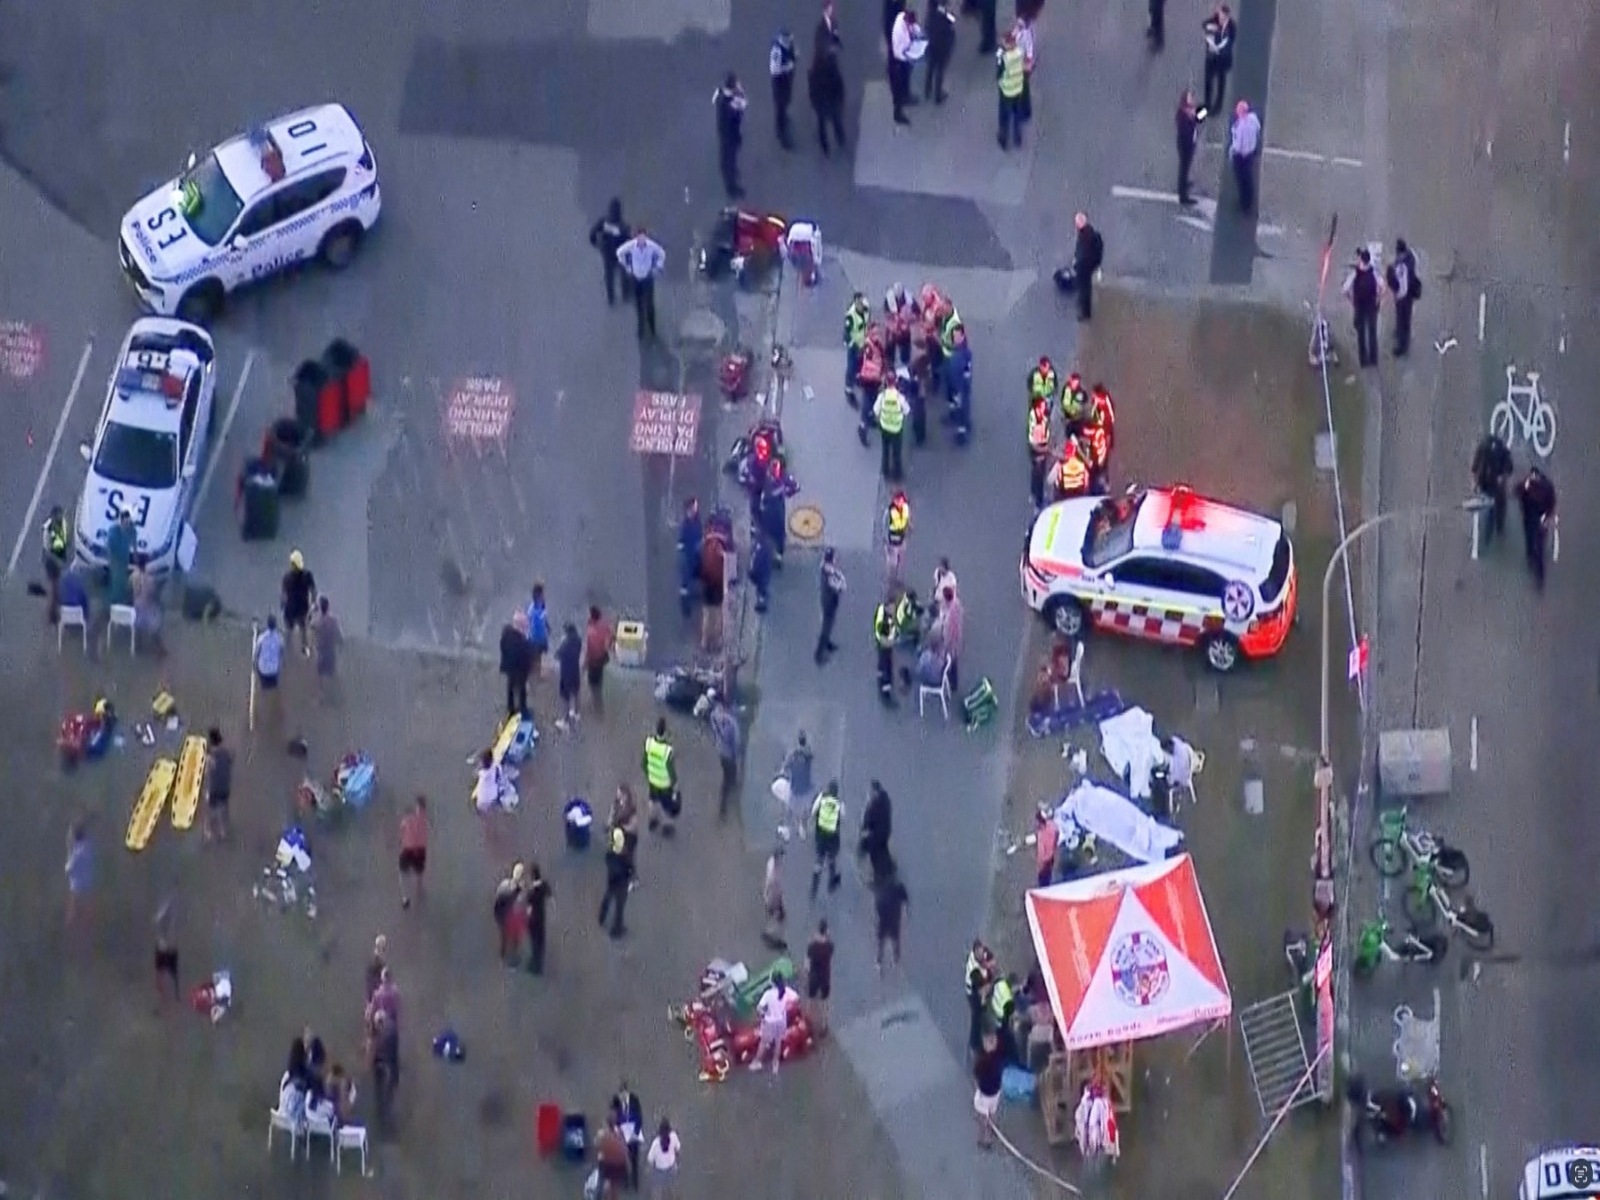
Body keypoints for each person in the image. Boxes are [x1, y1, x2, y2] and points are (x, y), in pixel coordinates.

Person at [617, 228, 666, 340]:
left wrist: (657, 267)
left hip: (647, 278)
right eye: (639, 237)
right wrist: (627, 266)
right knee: (639, 305)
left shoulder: (651, 246)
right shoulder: (631, 246)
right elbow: (619, 253)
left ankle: (652, 328)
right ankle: (641, 328)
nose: (641, 240)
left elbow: (662, 254)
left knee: (649, 305)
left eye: (643, 237)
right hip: (636, 278)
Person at [1056, 212, 1104, 322]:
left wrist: (1077, 263)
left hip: (1084, 266)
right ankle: (1084, 307)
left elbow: (1082, 254)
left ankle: (1085, 313)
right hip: (1092, 263)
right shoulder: (1094, 234)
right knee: (1085, 286)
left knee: (1084, 288)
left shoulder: (1084, 238)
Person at [1470, 433, 1514, 547]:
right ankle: (1493, 533)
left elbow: (1475, 468)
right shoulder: (1499, 451)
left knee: (1497, 508)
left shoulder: (1483, 450)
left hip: (1491, 484)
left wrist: (1475, 483)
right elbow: (1509, 468)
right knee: (1493, 509)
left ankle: (1495, 532)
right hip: (1490, 484)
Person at [808, 35, 848, 157]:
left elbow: (812, 86)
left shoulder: (817, 68)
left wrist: (814, 102)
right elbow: (838, 83)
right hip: (830, 99)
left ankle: (826, 146)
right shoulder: (830, 67)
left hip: (822, 101)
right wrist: (841, 98)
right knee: (834, 120)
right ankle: (838, 139)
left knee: (823, 123)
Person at [1518, 467, 1557, 591]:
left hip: (1540, 520)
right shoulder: (1527, 485)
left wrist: (1547, 518)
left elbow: (1551, 503)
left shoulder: (1546, 487)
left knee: (1539, 548)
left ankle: (1540, 578)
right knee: (1529, 540)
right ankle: (1530, 558)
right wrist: (1524, 487)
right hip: (1529, 519)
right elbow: (1517, 492)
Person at [750, 972, 796, 1072]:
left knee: (763, 1042)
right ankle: (775, 1063)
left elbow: (759, 1008)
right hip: (781, 1021)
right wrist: (786, 1007)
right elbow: (796, 998)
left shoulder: (768, 994)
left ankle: (757, 1062)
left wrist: (763, 1015)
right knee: (778, 1042)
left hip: (769, 1021)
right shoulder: (786, 991)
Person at [588, 197, 631, 307]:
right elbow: (592, 235)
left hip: (617, 256)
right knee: (611, 278)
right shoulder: (606, 223)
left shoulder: (623, 226)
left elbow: (630, 242)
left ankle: (623, 299)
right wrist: (598, 244)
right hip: (609, 255)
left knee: (621, 277)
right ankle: (613, 300)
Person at [1344, 248, 1381, 368]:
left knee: (1361, 334)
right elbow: (1383, 287)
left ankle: (1363, 360)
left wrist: (1352, 301)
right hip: (1371, 306)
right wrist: (1378, 299)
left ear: (1361, 260)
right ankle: (1373, 359)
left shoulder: (1355, 273)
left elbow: (1344, 290)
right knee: (1372, 332)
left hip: (1359, 306)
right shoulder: (1373, 272)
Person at [713, 73, 748, 199]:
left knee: (730, 155)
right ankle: (731, 187)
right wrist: (740, 92)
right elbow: (743, 105)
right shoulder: (731, 102)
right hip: (729, 134)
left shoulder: (720, 94)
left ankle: (731, 173)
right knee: (729, 159)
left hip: (727, 132)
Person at [644, 718, 680, 834]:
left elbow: (644, 763)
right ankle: (666, 826)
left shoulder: (648, 743)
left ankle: (652, 821)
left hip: (652, 780)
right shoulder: (668, 750)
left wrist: (649, 775)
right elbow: (670, 770)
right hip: (664, 783)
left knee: (653, 801)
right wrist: (675, 784)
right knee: (667, 805)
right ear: (665, 732)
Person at [1386, 238, 1422, 356]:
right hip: (1406, 296)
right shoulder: (1410, 258)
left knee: (1404, 321)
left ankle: (1403, 347)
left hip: (1404, 296)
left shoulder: (1402, 265)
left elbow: (1397, 280)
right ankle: (1400, 334)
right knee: (1402, 318)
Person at [874, 860, 910, 971]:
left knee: (882, 940)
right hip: (894, 917)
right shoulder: (898, 887)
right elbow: (906, 900)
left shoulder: (883, 886)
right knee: (894, 939)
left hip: (884, 917)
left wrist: (879, 912)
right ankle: (895, 961)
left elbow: (878, 902)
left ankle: (880, 962)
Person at [709, 694, 741, 820]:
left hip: (721, 750)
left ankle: (731, 783)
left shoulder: (714, 715)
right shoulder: (732, 723)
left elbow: (714, 730)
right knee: (727, 779)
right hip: (729, 753)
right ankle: (723, 807)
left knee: (728, 772)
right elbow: (737, 741)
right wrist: (737, 753)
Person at [810, 781, 844, 898]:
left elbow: (813, 811)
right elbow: (843, 815)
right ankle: (831, 884)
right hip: (832, 837)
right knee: (831, 859)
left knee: (819, 860)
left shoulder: (822, 798)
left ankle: (814, 889)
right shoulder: (839, 803)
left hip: (820, 834)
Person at [889, 5, 921, 126]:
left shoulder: (906, 19)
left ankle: (907, 96)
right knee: (898, 87)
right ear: (906, 21)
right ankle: (898, 114)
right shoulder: (898, 31)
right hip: (899, 61)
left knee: (906, 80)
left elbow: (915, 28)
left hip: (906, 56)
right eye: (909, 25)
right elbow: (897, 53)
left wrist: (917, 32)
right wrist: (910, 57)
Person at [599, 821, 632, 938]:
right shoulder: (624, 855)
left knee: (608, 896)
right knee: (620, 904)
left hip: (612, 879)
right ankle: (617, 928)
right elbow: (628, 867)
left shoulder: (610, 854)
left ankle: (602, 917)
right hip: (621, 881)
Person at [281, 550, 317, 657]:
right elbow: (313, 590)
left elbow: (283, 595)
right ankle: (304, 649)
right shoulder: (307, 575)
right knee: (303, 629)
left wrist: (282, 606)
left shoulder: (287, 577)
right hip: (302, 607)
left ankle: (289, 651)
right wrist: (314, 604)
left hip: (291, 609)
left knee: (289, 630)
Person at [1201, 4, 1236, 114]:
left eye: (1222, 17)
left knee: (1221, 81)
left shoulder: (1231, 26)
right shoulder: (1215, 20)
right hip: (1211, 58)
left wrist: (1219, 47)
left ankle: (1218, 105)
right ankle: (1207, 104)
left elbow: (1230, 43)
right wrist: (1210, 27)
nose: (1220, 19)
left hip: (1222, 60)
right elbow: (1204, 24)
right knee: (1208, 80)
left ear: (1227, 16)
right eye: (1219, 16)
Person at [972, 1030, 1005, 1146]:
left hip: (990, 1092)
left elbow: (977, 1075)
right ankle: (987, 1135)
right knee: (988, 1114)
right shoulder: (990, 1058)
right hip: (990, 1092)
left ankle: (987, 1134)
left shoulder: (989, 1058)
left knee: (986, 1113)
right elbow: (977, 1074)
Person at [499, 610, 534, 717]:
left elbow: (503, 648)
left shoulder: (506, 635)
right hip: (520, 670)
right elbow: (526, 658)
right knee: (521, 690)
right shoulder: (522, 642)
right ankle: (522, 708)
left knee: (510, 686)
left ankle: (511, 708)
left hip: (509, 667)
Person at [1229, 99, 1261, 213]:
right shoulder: (1253, 119)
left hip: (1241, 156)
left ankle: (1244, 203)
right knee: (1248, 178)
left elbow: (1238, 145)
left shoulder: (1241, 125)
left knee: (1242, 180)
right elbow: (1258, 130)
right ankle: (1249, 200)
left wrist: (1232, 152)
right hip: (1250, 154)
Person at [859, 780, 894, 884]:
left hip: (877, 833)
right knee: (882, 850)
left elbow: (870, 817)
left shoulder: (875, 802)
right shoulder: (885, 799)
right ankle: (889, 868)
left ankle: (879, 877)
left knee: (874, 853)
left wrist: (864, 827)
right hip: (885, 831)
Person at [873, 377, 910, 477]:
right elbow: (907, 411)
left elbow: (876, 410)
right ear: (895, 382)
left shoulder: (882, 396)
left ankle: (885, 471)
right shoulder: (899, 397)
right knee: (896, 453)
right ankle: (897, 473)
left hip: (885, 428)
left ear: (886, 382)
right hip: (896, 429)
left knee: (885, 451)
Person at [931, 584, 964, 691]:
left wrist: (944, 647)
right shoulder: (956, 603)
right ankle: (953, 681)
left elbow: (947, 635)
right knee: (954, 661)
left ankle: (952, 682)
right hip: (957, 638)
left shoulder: (949, 617)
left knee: (951, 661)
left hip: (951, 643)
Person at [804, 919, 835, 1036]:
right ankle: (824, 1025)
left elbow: (807, 963)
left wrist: (807, 974)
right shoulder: (830, 946)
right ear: (826, 930)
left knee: (810, 999)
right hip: (825, 977)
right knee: (825, 1001)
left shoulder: (812, 946)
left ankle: (808, 1023)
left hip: (814, 976)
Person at [253, 615, 285, 724]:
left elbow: (256, 653)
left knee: (262, 688)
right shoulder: (280, 638)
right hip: (274, 670)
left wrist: (254, 665)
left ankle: (259, 707)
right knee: (275, 688)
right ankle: (276, 709)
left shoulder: (261, 638)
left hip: (263, 669)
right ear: (276, 625)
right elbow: (282, 653)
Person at [40, 504, 69, 624]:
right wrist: (58, 561)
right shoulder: (48, 529)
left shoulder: (62, 525)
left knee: (58, 589)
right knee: (52, 589)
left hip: (59, 560)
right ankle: (50, 617)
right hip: (51, 562)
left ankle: (56, 614)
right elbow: (47, 551)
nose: (60, 517)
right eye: (59, 515)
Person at [203, 726, 232, 844]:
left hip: (215, 789)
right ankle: (222, 830)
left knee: (210, 809)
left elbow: (207, 774)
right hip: (226, 788)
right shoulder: (227, 753)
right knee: (223, 807)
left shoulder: (210, 757)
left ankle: (208, 831)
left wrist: (207, 791)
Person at [815, 547, 845, 664]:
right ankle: (820, 653)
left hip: (829, 600)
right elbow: (838, 586)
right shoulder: (828, 573)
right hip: (829, 602)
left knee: (829, 625)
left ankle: (826, 642)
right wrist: (840, 585)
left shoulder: (826, 569)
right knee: (826, 626)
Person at [944, 325, 973, 442]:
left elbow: (966, 372)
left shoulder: (965, 353)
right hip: (955, 383)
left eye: (957, 336)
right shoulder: (956, 349)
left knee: (962, 405)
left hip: (961, 385)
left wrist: (961, 388)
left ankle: (962, 431)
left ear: (963, 336)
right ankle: (960, 422)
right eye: (954, 336)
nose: (955, 338)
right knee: (958, 404)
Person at [399, 796, 428, 908]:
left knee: (403, 873)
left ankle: (405, 897)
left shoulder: (407, 819)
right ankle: (419, 891)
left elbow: (402, 831)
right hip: (420, 849)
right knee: (419, 872)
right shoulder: (423, 818)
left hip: (408, 849)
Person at [613, 1082, 645, 1188]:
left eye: (623, 1095)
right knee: (622, 1158)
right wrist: (617, 1127)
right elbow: (614, 1115)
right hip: (623, 1132)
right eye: (620, 1095)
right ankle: (625, 1181)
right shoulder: (617, 1101)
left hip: (632, 1132)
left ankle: (635, 1181)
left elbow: (639, 1116)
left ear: (627, 1092)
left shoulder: (634, 1100)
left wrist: (635, 1132)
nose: (622, 1097)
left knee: (634, 1158)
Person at [309, 595, 342, 696]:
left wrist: (312, 611)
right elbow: (339, 636)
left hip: (321, 652)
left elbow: (309, 624)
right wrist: (340, 644)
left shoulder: (317, 622)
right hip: (330, 651)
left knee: (320, 676)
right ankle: (334, 694)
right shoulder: (333, 620)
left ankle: (322, 696)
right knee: (332, 673)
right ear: (328, 606)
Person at [924, 0, 956, 102]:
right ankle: (938, 94)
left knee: (931, 66)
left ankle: (927, 89)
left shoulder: (931, 14)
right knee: (940, 69)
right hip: (943, 43)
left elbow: (926, 27)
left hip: (932, 42)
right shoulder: (944, 14)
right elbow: (952, 21)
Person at [770, 28, 797, 148]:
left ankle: (784, 117)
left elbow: (793, 53)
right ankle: (781, 135)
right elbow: (774, 70)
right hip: (779, 82)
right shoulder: (777, 51)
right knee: (780, 106)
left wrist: (795, 55)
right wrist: (788, 67)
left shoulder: (788, 45)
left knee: (786, 101)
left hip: (787, 80)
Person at [843, 292, 870, 407]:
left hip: (863, 344)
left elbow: (866, 324)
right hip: (854, 346)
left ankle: (858, 378)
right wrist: (854, 346)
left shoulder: (866, 308)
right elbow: (847, 335)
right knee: (851, 367)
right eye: (858, 302)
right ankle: (849, 390)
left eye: (861, 301)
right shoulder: (850, 316)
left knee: (861, 364)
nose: (860, 304)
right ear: (855, 302)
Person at [584, 606, 613, 713]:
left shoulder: (591, 630)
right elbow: (611, 634)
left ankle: (597, 706)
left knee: (592, 683)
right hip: (601, 659)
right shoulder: (603, 626)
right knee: (598, 683)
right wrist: (608, 647)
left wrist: (585, 663)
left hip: (593, 660)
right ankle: (597, 704)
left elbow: (589, 648)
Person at [1176, 89, 1203, 206]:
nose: (1192, 99)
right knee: (1184, 168)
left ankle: (1184, 186)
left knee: (1186, 167)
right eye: (1189, 97)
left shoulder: (1190, 112)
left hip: (1190, 143)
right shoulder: (1182, 113)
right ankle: (1183, 194)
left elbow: (1199, 119)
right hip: (1185, 144)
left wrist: (1204, 110)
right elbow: (1186, 128)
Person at [676, 499, 703, 618]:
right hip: (688, 557)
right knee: (686, 582)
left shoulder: (696, 521)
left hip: (695, 555)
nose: (696, 509)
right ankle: (685, 606)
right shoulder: (686, 525)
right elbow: (681, 542)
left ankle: (694, 595)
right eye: (694, 507)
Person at [645, 1117, 682, 1197]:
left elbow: (650, 1159)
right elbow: (678, 1149)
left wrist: (649, 1170)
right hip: (671, 1167)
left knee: (658, 1192)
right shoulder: (673, 1136)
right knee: (672, 1189)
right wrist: (677, 1163)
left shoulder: (656, 1143)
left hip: (659, 1171)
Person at [65, 819, 92, 927]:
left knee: (75, 921)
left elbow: (70, 869)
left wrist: (69, 850)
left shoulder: (79, 851)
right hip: (87, 889)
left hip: (79, 891)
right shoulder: (88, 846)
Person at [762, 841, 788, 948]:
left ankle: (771, 934)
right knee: (779, 917)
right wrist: (774, 897)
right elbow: (771, 882)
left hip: (774, 896)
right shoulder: (774, 868)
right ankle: (771, 935)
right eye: (782, 855)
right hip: (774, 897)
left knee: (779, 917)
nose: (783, 858)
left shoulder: (771, 863)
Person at [556, 621, 582, 727]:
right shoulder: (578, 640)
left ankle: (565, 721)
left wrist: (562, 642)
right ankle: (575, 713)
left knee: (565, 695)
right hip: (575, 670)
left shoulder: (565, 644)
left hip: (566, 672)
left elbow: (557, 655)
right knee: (575, 691)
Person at [1028, 396, 1053, 508]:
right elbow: (1033, 443)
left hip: (1042, 447)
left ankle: (1034, 493)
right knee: (1039, 475)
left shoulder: (1043, 416)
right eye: (1042, 405)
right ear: (1038, 408)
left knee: (1037, 473)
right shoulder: (1034, 421)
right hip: (1038, 450)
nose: (1045, 407)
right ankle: (1039, 501)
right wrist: (1045, 449)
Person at [873, 601, 899, 704]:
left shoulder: (883, 612)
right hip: (884, 648)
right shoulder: (883, 623)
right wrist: (893, 642)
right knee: (886, 668)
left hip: (883, 646)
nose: (894, 611)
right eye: (892, 608)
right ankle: (885, 695)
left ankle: (881, 677)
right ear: (887, 607)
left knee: (883, 666)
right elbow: (884, 641)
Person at [884, 490, 911, 587]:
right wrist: (886, 542)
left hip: (902, 539)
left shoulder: (905, 508)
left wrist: (909, 526)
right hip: (892, 541)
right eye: (898, 500)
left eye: (902, 500)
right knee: (892, 562)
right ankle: (891, 578)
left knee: (900, 560)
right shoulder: (890, 511)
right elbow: (885, 527)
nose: (900, 502)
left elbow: (906, 519)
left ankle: (897, 578)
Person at [525, 582, 551, 678]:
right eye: (542, 593)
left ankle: (535, 674)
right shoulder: (538, 605)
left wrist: (547, 627)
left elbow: (533, 620)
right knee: (537, 656)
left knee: (536, 656)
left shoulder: (534, 606)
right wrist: (547, 627)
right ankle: (536, 674)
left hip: (535, 636)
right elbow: (540, 619)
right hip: (538, 636)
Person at [1052, 435, 1091, 499]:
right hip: (1080, 493)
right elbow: (1086, 481)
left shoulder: (1062, 467)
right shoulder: (1082, 465)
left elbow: (1058, 483)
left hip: (1066, 494)